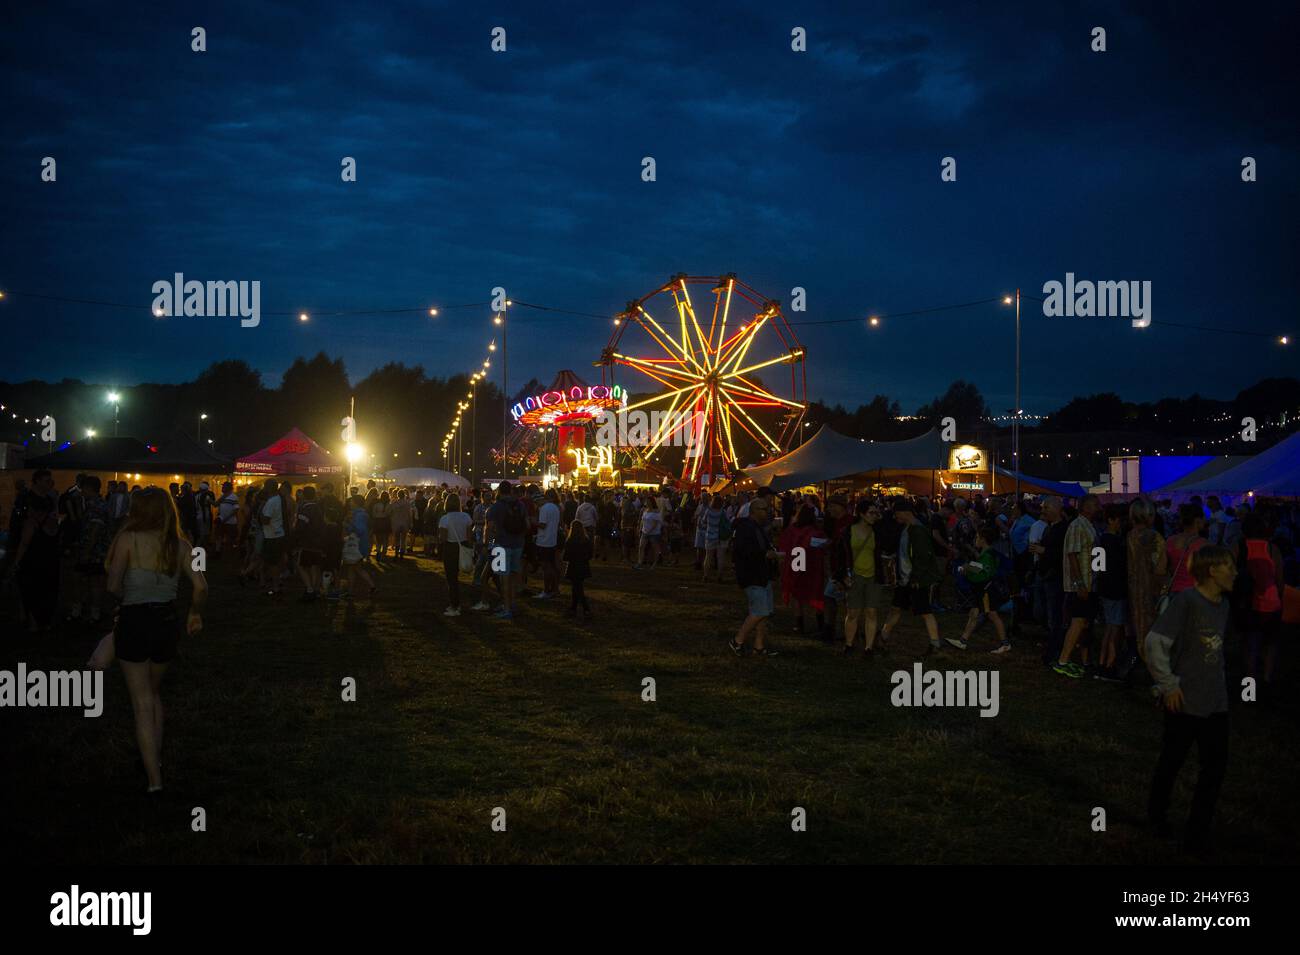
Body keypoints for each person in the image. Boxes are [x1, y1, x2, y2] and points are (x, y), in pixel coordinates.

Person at [104, 487, 207, 793]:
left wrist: (129, 599)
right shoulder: (182, 544)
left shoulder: (128, 539)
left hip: (135, 620)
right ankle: (155, 760)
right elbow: (201, 586)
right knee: (153, 693)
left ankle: (153, 781)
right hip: (166, 621)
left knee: (141, 702)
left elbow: (112, 585)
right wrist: (194, 614)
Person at [1145, 545, 1235, 855]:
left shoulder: (1223, 605)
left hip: (1215, 702)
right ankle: (1155, 819)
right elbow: (1155, 642)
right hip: (1183, 701)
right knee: (1171, 762)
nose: (1235, 573)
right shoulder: (1186, 602)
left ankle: (1198, 831)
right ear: (1212, 571)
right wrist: (1167, 685)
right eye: (1229, 567)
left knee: (1214, 768)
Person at [1054, 494, 1101, 678]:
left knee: (1085, 623)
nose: (1099, 507)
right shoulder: (1077, 525)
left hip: (1090, 582)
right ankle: (1063, 660)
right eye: (1096, 504)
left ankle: (1085, 661)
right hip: (1081, 584)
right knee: (1079, 621)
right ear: (1086, 507)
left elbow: (1095, 553)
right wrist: (1079, 583)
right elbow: (1072, 555)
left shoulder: (1090, 526)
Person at [1236, 514, 1284, 689]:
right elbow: (1279, 579)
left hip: (1247, 602)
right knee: (1270, 643)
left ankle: (1249, 686)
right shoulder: (1272, 549)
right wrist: (1280, 597)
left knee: (1250, 643)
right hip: (1271, 602)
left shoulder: (1239, 547)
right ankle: (1267, 679)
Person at [728, 496, 779, 657]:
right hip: (752, 574)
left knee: (764, 612)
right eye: (764, 509)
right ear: (754, 511)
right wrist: (766, 554)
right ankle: (737, 641)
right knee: (760, 611)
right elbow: (744, 551)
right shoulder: (746, 528)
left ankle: (759, 645)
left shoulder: (757, 528)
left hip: (762, 574)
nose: (768, 512)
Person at [11, 470, 61, 633]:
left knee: (40, 587)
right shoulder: (26, 499)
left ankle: (35, 619)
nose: (50, 484)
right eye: (46, 481)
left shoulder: (48, 500)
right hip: (31, 547)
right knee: (28, 585)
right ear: (37, 481)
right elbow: (21, 527)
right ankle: (26, 616)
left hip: (42, 550)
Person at [948, 524, 1010, 653]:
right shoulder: (987, 553)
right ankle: (963, 641)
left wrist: (968, 568)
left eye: (977, 537)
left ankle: (1005, 643)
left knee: (992, 614)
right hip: (982, 591)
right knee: (974, 613)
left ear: (983, 539)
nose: (975, 539)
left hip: (985, 591)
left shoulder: (988, 555)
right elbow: (982, 566)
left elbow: (984, 570)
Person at [839, 500, 885, 656]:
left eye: (876, 513)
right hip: (855, 575)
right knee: (853, 612)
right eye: (871, 513)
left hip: (873, 575)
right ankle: (849, 644)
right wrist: (843, 575)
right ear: (861, 514)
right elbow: (840, 555)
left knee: (871, 612)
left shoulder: (877, 531)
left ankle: (868, 647)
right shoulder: (848, 531)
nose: (874, 516)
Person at [1126, 497, 1168, 664]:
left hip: (1134, 587)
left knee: (1140, 626)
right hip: (1152, 588)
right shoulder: (1154, 537)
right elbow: (1160, 567)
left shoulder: (1130, 535)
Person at [778, 504, 825, 635]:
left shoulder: (792, 530)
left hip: (797, 564)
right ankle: (820, 623)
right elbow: (822, 548)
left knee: (797, 594)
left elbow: (784, 546)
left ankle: (799, 625)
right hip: (812, 566)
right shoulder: (816, 532)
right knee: (815, 592)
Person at [1094, 502, 1128, 680]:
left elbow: (1096, 566)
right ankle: (1109, 665)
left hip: (1105, 588)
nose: (1120, 524)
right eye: (1119, 520)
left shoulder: (1100, 539)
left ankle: (1102, 662)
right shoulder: (1117, 542)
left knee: (1109, 627)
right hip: (1116, 588)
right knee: (1115, 628)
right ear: (1111, 520)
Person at [485, 480, 527, 620]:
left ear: (499, 491)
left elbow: (490, 529)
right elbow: (526, 524)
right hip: (518, 544)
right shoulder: (520, 505)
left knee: (504, 578)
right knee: (514, 576)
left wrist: (489, 544)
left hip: (501, 545)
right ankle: (512, 604)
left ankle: (506, 608)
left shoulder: (496, 507)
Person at [438, 493, 472, 616]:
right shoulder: (466, 517)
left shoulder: (444, 519)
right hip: (463, 546)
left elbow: (442, 538)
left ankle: (455, 605)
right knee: (457, 576)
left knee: (451, 579)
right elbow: (469, 537)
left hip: (450, 548)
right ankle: (455, 604)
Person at [339, 495, 376, 600]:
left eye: (351, 502)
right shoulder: (362, 514)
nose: (350, 503)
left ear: (355, 502)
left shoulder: (359, 515)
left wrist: (347, 525)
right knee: (355, 568)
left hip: (356, 546)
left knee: (355, 568)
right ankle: (352, 591)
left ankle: (370, 587)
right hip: (360, 545)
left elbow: (359, 530)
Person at [293, 485, 326, 601]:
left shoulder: (305, 509)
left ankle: (309, 589)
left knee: (300, 565)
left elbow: (300, 527)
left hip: (307, 542)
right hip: (318, 542)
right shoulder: (318, 508)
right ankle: (315, 589)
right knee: (314, 567)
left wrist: (295, 539)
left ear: (304, 496)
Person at [562, 518, 594, 622]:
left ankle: (585, 608)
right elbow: (590, 555)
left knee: (577, 588)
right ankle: (573, 607)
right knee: (576, 587)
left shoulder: (570, 541)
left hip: (573, 567)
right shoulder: (586, 540)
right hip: (583, 566)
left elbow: (566, 557)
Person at [533, 488, 562, 599]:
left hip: (544, 541)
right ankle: (555, 589)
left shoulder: (544, 509)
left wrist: (533, 522)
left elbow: (543, 525)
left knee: (546, 568)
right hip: (552, 540)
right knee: (552, 566)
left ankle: (546, 591)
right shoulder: (556, 508)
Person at [635, 496, 663, 569]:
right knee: (641, 547)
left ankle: (654, 563)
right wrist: (640, 529)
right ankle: (640, 562)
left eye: (648, 501)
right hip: (645, 531)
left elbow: (655, 523)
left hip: (654, 533)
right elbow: (642, 521)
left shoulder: (656, 512)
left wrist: (648, 531)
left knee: (654, 548)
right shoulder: (645, 510)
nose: (646, 503)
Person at [390, 489, 413, 558]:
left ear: (398, 495)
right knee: (403, 539)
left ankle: (396, 553)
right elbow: (410, 514)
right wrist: (411, 523)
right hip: (405, 522)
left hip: (396, 522)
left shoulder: (394, 503)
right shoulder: (407, 503)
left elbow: (391, 512)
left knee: (397, 539)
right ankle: (402, 554)